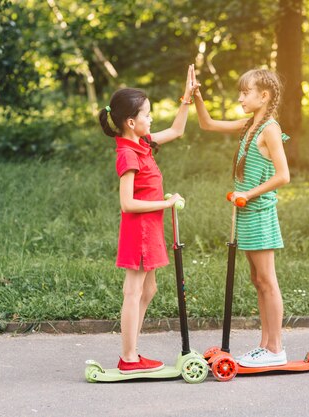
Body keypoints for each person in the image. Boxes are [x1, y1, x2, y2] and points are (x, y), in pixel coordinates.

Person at [98, 65, 196, 374]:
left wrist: (187, 98)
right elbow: (126, 204)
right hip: (139, 229)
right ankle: (129, 358)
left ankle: (132, 351)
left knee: (148, 290)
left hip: (150, 228)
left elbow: (178, 131)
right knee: (134, 291)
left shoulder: (142, 144)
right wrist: (165, 203)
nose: (151, 119)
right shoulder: (128, 154)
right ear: (131, 122)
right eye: (147, 114)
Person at [192, 68, 290, 367]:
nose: (240, 98)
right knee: (257, 279)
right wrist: (196, 96)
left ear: (264, 95)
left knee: (267, 281)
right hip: (247, 213)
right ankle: (265, 345)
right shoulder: (250, 125)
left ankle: (275, 349)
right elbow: (207, 124)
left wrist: (249, 194)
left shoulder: (270, 129)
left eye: (246, 93)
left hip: (259, 212)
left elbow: (283, 176)